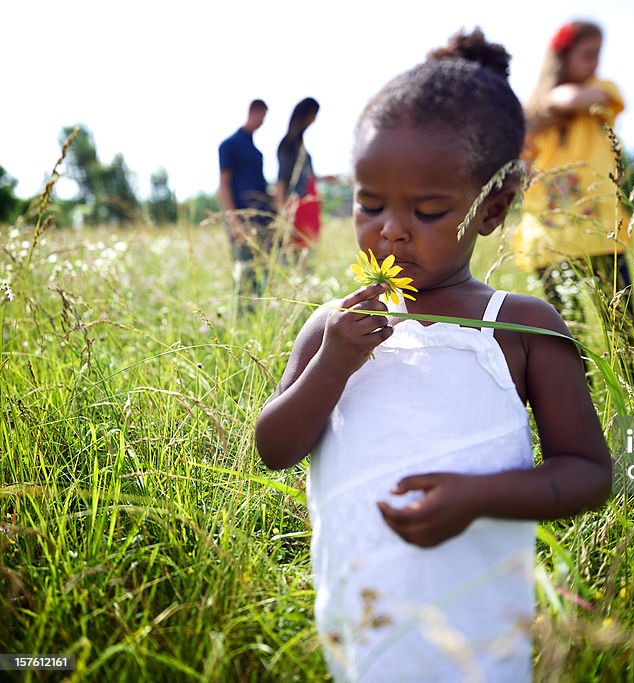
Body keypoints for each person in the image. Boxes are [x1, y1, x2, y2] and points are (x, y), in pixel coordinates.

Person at [254, 29, 612, 683]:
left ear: (493, 210)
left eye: (426, 209)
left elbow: (589, 472)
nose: (389, 228)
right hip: (363, 629)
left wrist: (477, 497)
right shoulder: (333, 326)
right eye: (369, 203)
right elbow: (274, 447)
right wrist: (332, 363)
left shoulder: (522, 328)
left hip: (478, 633)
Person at [513, 20, 634, 354]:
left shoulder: (601, 92)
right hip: (548, 234)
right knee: (567, 332)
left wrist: (544, 106)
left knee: (625, 329)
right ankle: (579, 395)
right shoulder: (530, 117)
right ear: (561, 57)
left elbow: (578, 97)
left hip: (601, 232)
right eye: (587, 54)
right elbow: (521, 164)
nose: (594, 63)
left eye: (598, 54)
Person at [218, 99, 276, 309]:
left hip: (262, 218)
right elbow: (224, 184)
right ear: (255, 112)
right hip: (242, 219)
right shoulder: (230, 144)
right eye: (262, 116)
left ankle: (262, 311)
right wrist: (234, 221)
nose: (263, 122)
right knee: (245, 271)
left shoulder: (255, 149)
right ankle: (245, 315)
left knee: (266, 270)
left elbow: (259, 186)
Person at [274, 97, 334, 259]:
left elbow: (307, 176)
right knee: (298, 252)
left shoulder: (301, 145)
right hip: (297, 206)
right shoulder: (287, 145)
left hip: (310, 203)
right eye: (313, 115)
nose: (314, 120)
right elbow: (281, 180)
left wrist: (322, 178)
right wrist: (282, 212)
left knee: (309, 250)